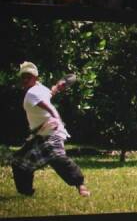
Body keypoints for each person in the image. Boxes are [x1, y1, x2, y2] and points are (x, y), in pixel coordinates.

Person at [10, 62, 89, 198]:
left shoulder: (32, 93)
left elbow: (49, 107)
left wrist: (57, 119)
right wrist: (57, 88)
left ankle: (81, 185)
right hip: (40, 134)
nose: (25, 79)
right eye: (23, 77)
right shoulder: (40, 89)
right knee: (19, 162)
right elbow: (49, 94)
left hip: (52, 130)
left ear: (36, 78)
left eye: (28, 77)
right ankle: (26, 192)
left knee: (57, 157)